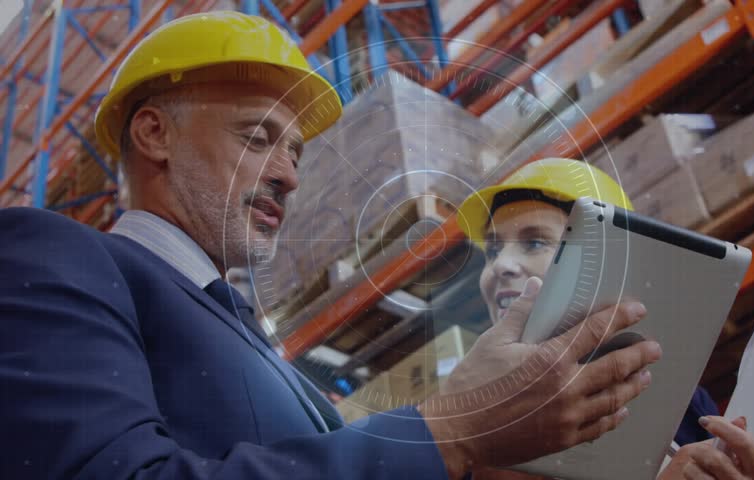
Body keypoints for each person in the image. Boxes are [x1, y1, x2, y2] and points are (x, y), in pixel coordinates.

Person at [0, 12, 663, 480]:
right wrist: (450, 429)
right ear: (153, 135)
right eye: (257, 138)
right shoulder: (58, 257)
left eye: (295, 152)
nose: (289, 174)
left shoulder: (266, 354)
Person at [455, 157, 754, 479]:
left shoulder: (685, 402)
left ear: (613, 263)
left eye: (534, 242)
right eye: (493, 250)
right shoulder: (486, 422)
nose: (500, 265)